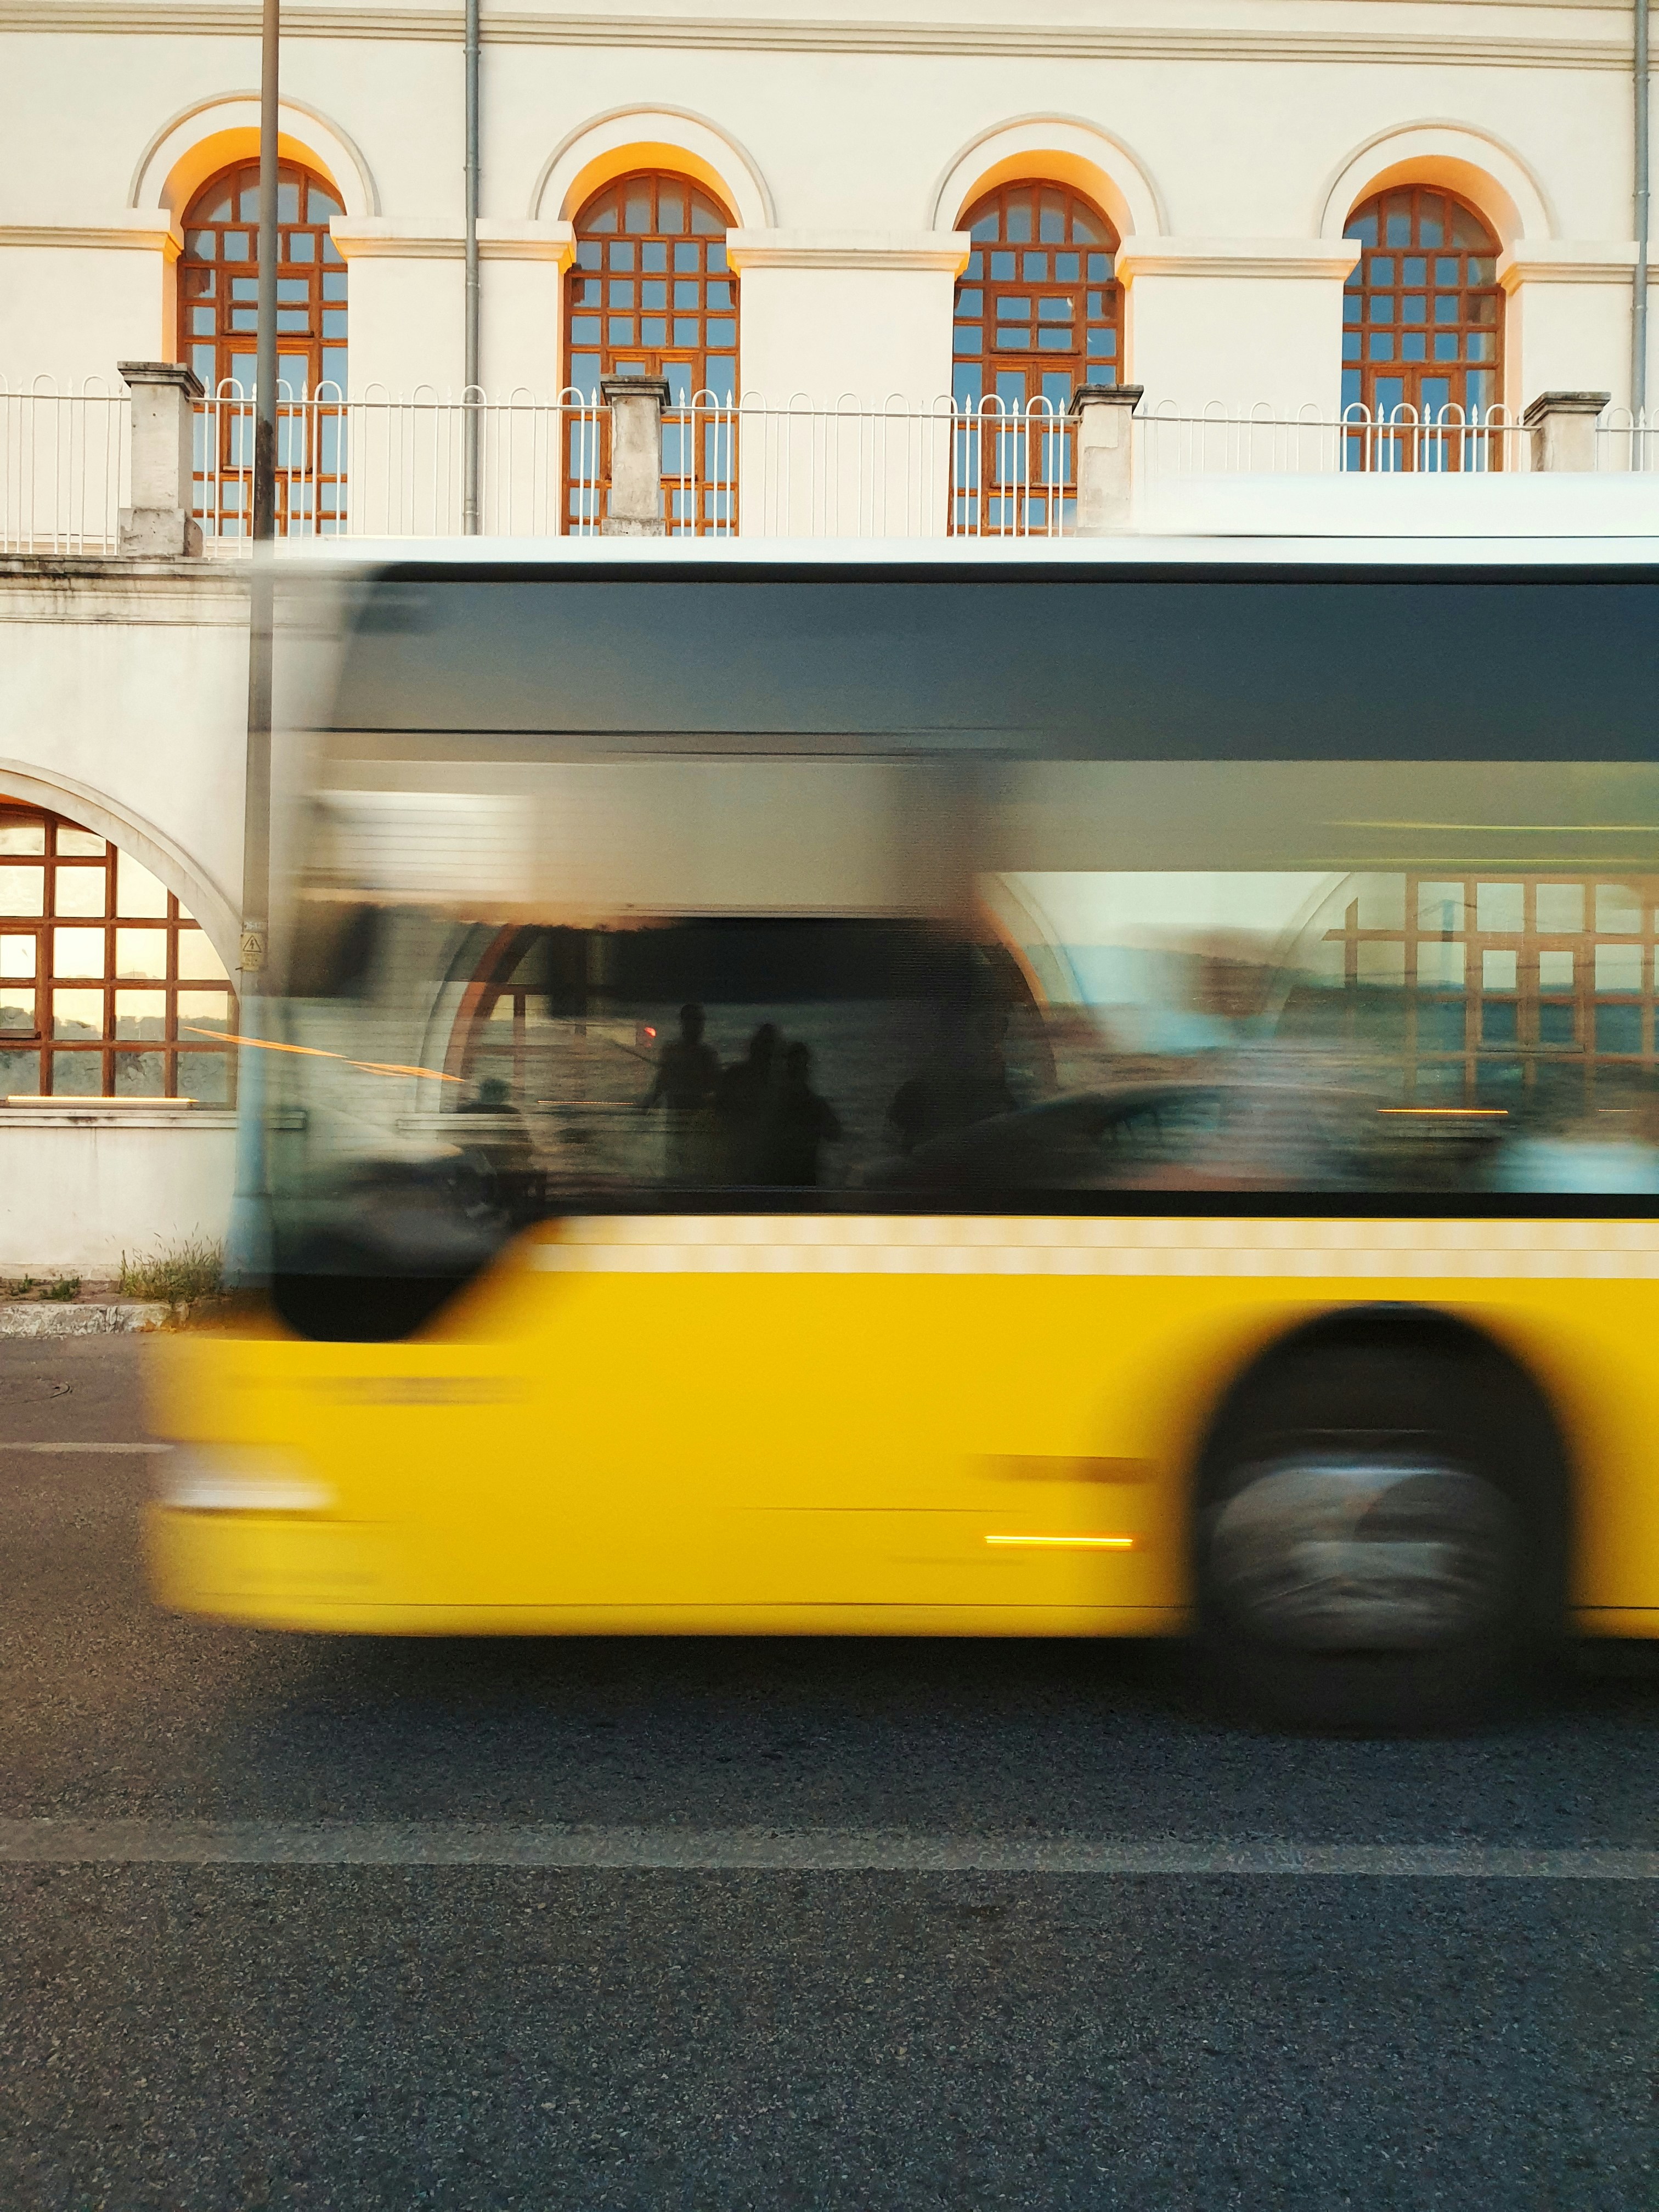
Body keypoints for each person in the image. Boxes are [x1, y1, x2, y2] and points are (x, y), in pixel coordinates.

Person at [640, 1002, 721, 1181]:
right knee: (676, 1161)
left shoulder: (706, 1055)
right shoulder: (675, 1052)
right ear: (685, 1024)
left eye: (699, 1022)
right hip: (677, 1119)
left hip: (698, 1121)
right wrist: (644, 1110)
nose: (698, 1027)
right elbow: (660, 1084)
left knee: (693, 1162)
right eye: (694, 1022)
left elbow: (716, 1089)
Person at [760, 1041, 843, 1187]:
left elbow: (835, 1133)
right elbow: (835, 1134)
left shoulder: (812, 1105)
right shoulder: (813, 1105)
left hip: (786, 1182)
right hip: (788, 1182)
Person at [713, 1022, 781, 1183]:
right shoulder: (735, 1076)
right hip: (737, 1153)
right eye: (764, 1045)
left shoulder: (781, 1082)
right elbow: (720, 1110)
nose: (766, 1051)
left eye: (770, 1045)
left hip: (769, 1158)